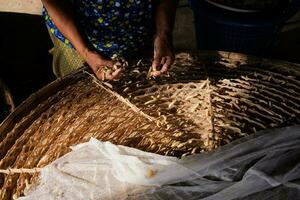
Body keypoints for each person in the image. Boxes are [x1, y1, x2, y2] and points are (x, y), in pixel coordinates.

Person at [41, 0, 179, 80]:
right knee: (84, 93)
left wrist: (163, 35)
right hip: (77, 37)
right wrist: (86, 53)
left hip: (140, 28)